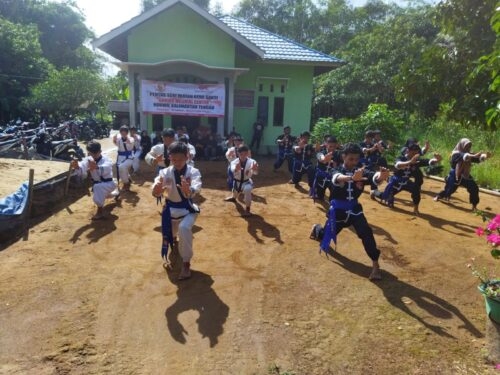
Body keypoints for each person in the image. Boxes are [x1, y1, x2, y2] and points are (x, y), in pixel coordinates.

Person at [310, 143, 390, 280]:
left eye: (356, 159)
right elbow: (337, 178)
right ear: (343, 157)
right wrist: (352, 178)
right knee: (325, 237)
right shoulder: (335, 170)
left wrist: (381, 176)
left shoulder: (360, 171)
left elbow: (373, 176)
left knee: (366, 233)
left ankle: (376, 265)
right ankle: (317, 230)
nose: (353, 162)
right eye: (350, 159)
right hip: (338, 212)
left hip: (354, 211)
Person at [152, 142, 202, 280]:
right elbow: (157, 189)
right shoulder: (164, 172)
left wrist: (189, 190)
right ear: (170, 158)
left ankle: (186, 264)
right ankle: (174, 239)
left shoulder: (193, 172)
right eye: (174, 160)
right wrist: (156, 190)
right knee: (171, 235)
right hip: (170, 211)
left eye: (180, 159)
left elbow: (197, 187)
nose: (177, 162)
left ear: (187, 157)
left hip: (188, 209)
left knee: (184, 228)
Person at [375, 143, 441, 214]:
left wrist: (437, 160)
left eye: (416, 153)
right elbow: (398, 165)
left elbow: (428, 161)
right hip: (395, 181)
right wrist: (410, 162)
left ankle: (416, 208)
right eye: (413, 152)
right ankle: (374, 193)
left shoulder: (417, 161)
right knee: (385, 196)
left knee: (416, 190)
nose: (414, 155)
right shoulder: (401, 158)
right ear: (408, 151)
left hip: (406, 182)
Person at [434, 138, 490, 210]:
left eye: (469, 146)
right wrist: (473, 156)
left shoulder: (469, 153)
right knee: (449, 189)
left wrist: (485, 156)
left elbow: (477, 158)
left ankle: (474, 205)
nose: (468, 147)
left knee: (474, 188)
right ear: (462, 145)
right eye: (467, 146)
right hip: (454, 175)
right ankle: (438, 196)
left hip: (465, 175)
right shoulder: (455, 154)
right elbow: (464, 156)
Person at [70, 141, 119, 220]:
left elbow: (106, 167)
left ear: (100, 151)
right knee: (105, 194)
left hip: (109, 183)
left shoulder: (106, 159)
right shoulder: (88, 159)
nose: (93, 156)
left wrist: (96, 167)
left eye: (95, 154)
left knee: (97, 188)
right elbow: (82, 167)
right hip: (102, 186)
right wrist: (77, 166)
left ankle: (100, 211)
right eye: (90, 154)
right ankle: (116, 193)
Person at [224, 145, 259, 216]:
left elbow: (256, 173)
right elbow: (233, 170)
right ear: (238, 153)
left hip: (247, 182)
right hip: (236, 182)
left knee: (247, 189)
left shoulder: (252, 162)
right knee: (235, 192)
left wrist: (255, 169)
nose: (243, 156)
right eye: (241, 154)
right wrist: (236, 169)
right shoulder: (234, 162)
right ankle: (233, 198)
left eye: (245, 154)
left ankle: (248, 209)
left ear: (247, 153)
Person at [312, 136, 342, 201]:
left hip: (332, 178)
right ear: (326, 145)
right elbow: (321, 158)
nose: (332, 148)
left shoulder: (338, 154)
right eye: (330, 146)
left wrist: (337, 167)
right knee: (319, 197)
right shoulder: (321, 153)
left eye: (334, 146)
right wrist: (325, 159)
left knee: (335, 195)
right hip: (321, 177)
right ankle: (318, 193)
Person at [112, 125, 135, 191]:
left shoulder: (131, 138)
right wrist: (114, 140)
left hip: (129, 157)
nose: (123, 133)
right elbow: (116, 144)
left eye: (125, 132)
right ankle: (128, 178)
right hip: (120, 157)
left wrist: (128, 141)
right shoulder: (119, 139)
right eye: (122, 132)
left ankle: (126, 183)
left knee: (122, 167)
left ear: (127, 132)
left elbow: (131, 144)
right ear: (120, 132)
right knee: (121, 170)